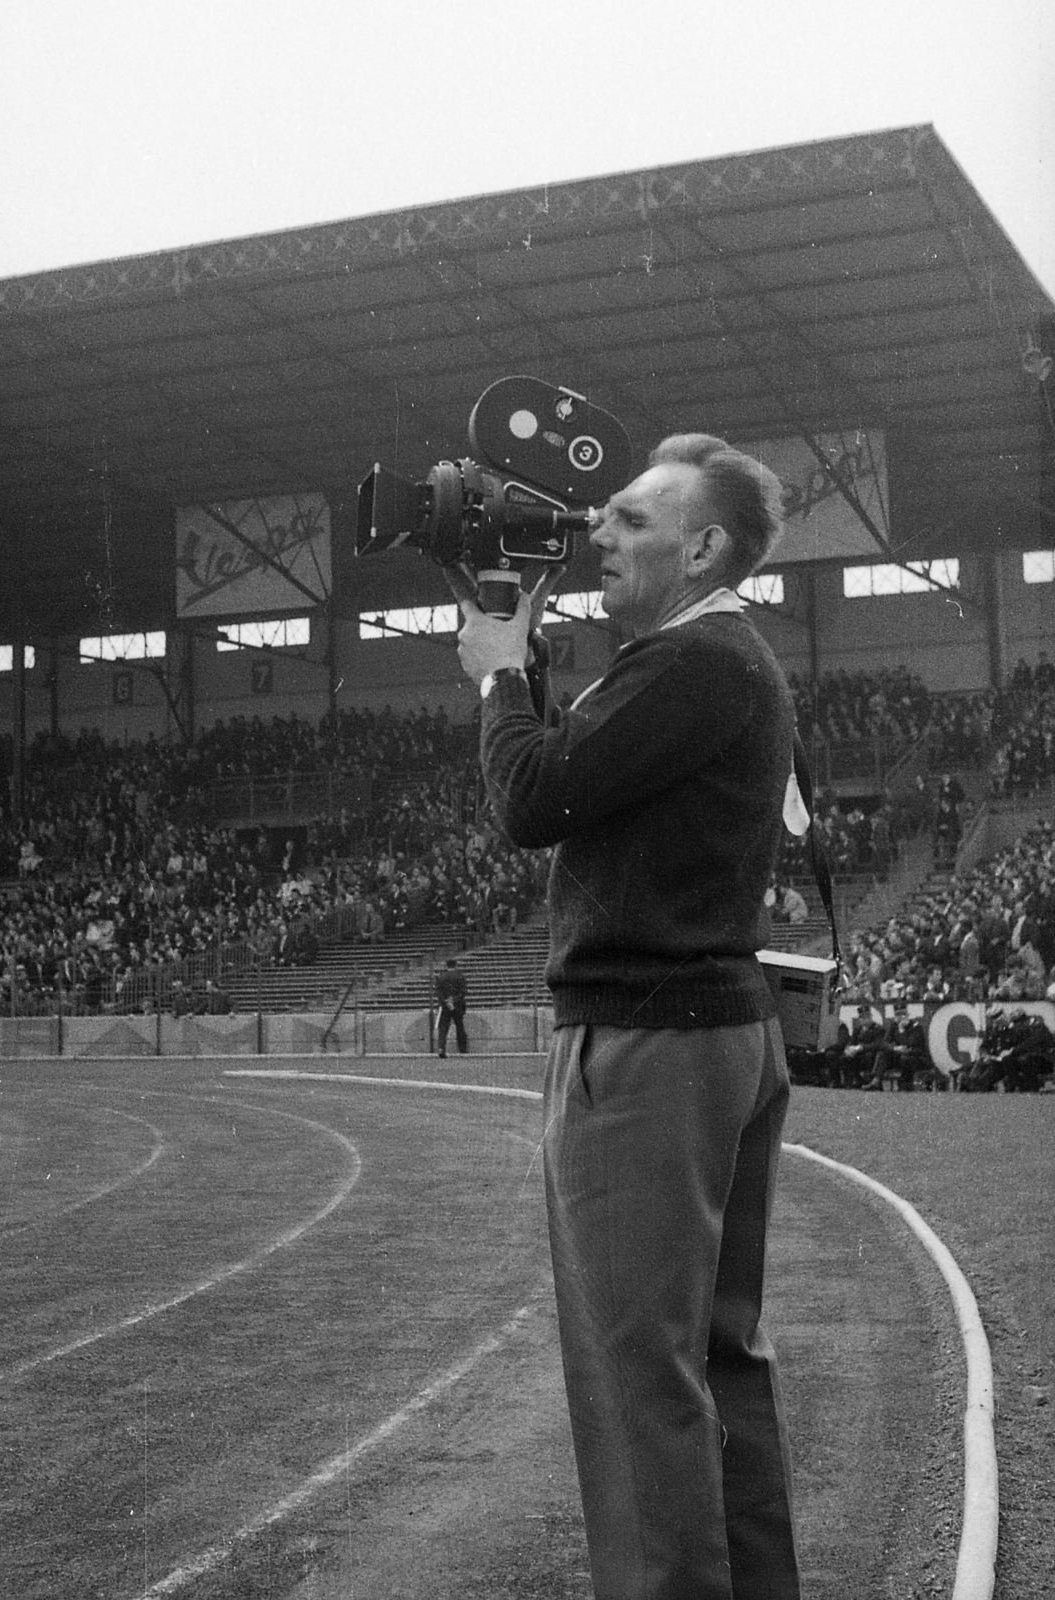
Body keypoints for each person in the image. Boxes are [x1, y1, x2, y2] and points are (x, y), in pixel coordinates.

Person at [456, 432, 802, 1598]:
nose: (596, 533)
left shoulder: (693, 661)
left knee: (635, 1374)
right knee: (713, 1358)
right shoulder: (705, 658)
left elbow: (532, 796)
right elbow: (579, 770)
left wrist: (501, 673)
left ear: (702, 548)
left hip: (649, 1045)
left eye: (629, 521)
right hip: (711, 1029)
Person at [434, 956, 469, 1057]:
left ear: (446, 965)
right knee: (460, 1027)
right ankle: (462, 1049)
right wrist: (453, 1000)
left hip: (445, 1006)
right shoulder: (460, 976)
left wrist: (446, 1001)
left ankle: (441, 1048)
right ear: (456, 965)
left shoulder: (441, 977)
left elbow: (438, 992)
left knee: (443, 1028)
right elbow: (463, 992)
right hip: (457, 1005)